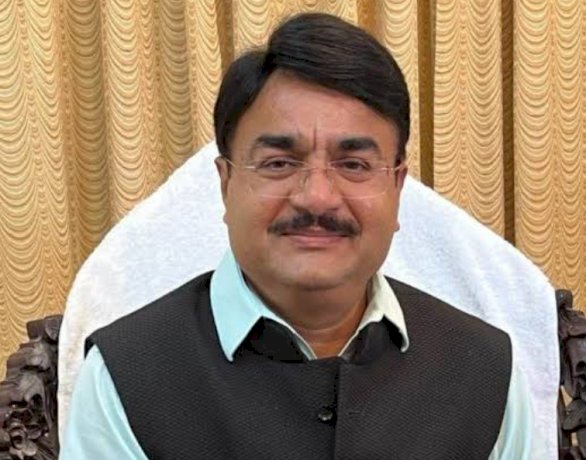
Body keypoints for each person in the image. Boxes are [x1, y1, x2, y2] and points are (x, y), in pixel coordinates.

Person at [60, 12, 535, 459]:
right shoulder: (127, 375)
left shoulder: (485, 370)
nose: (317, 198)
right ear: (225, 184)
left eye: (354, 165)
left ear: (397, 186)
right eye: (279, 163)